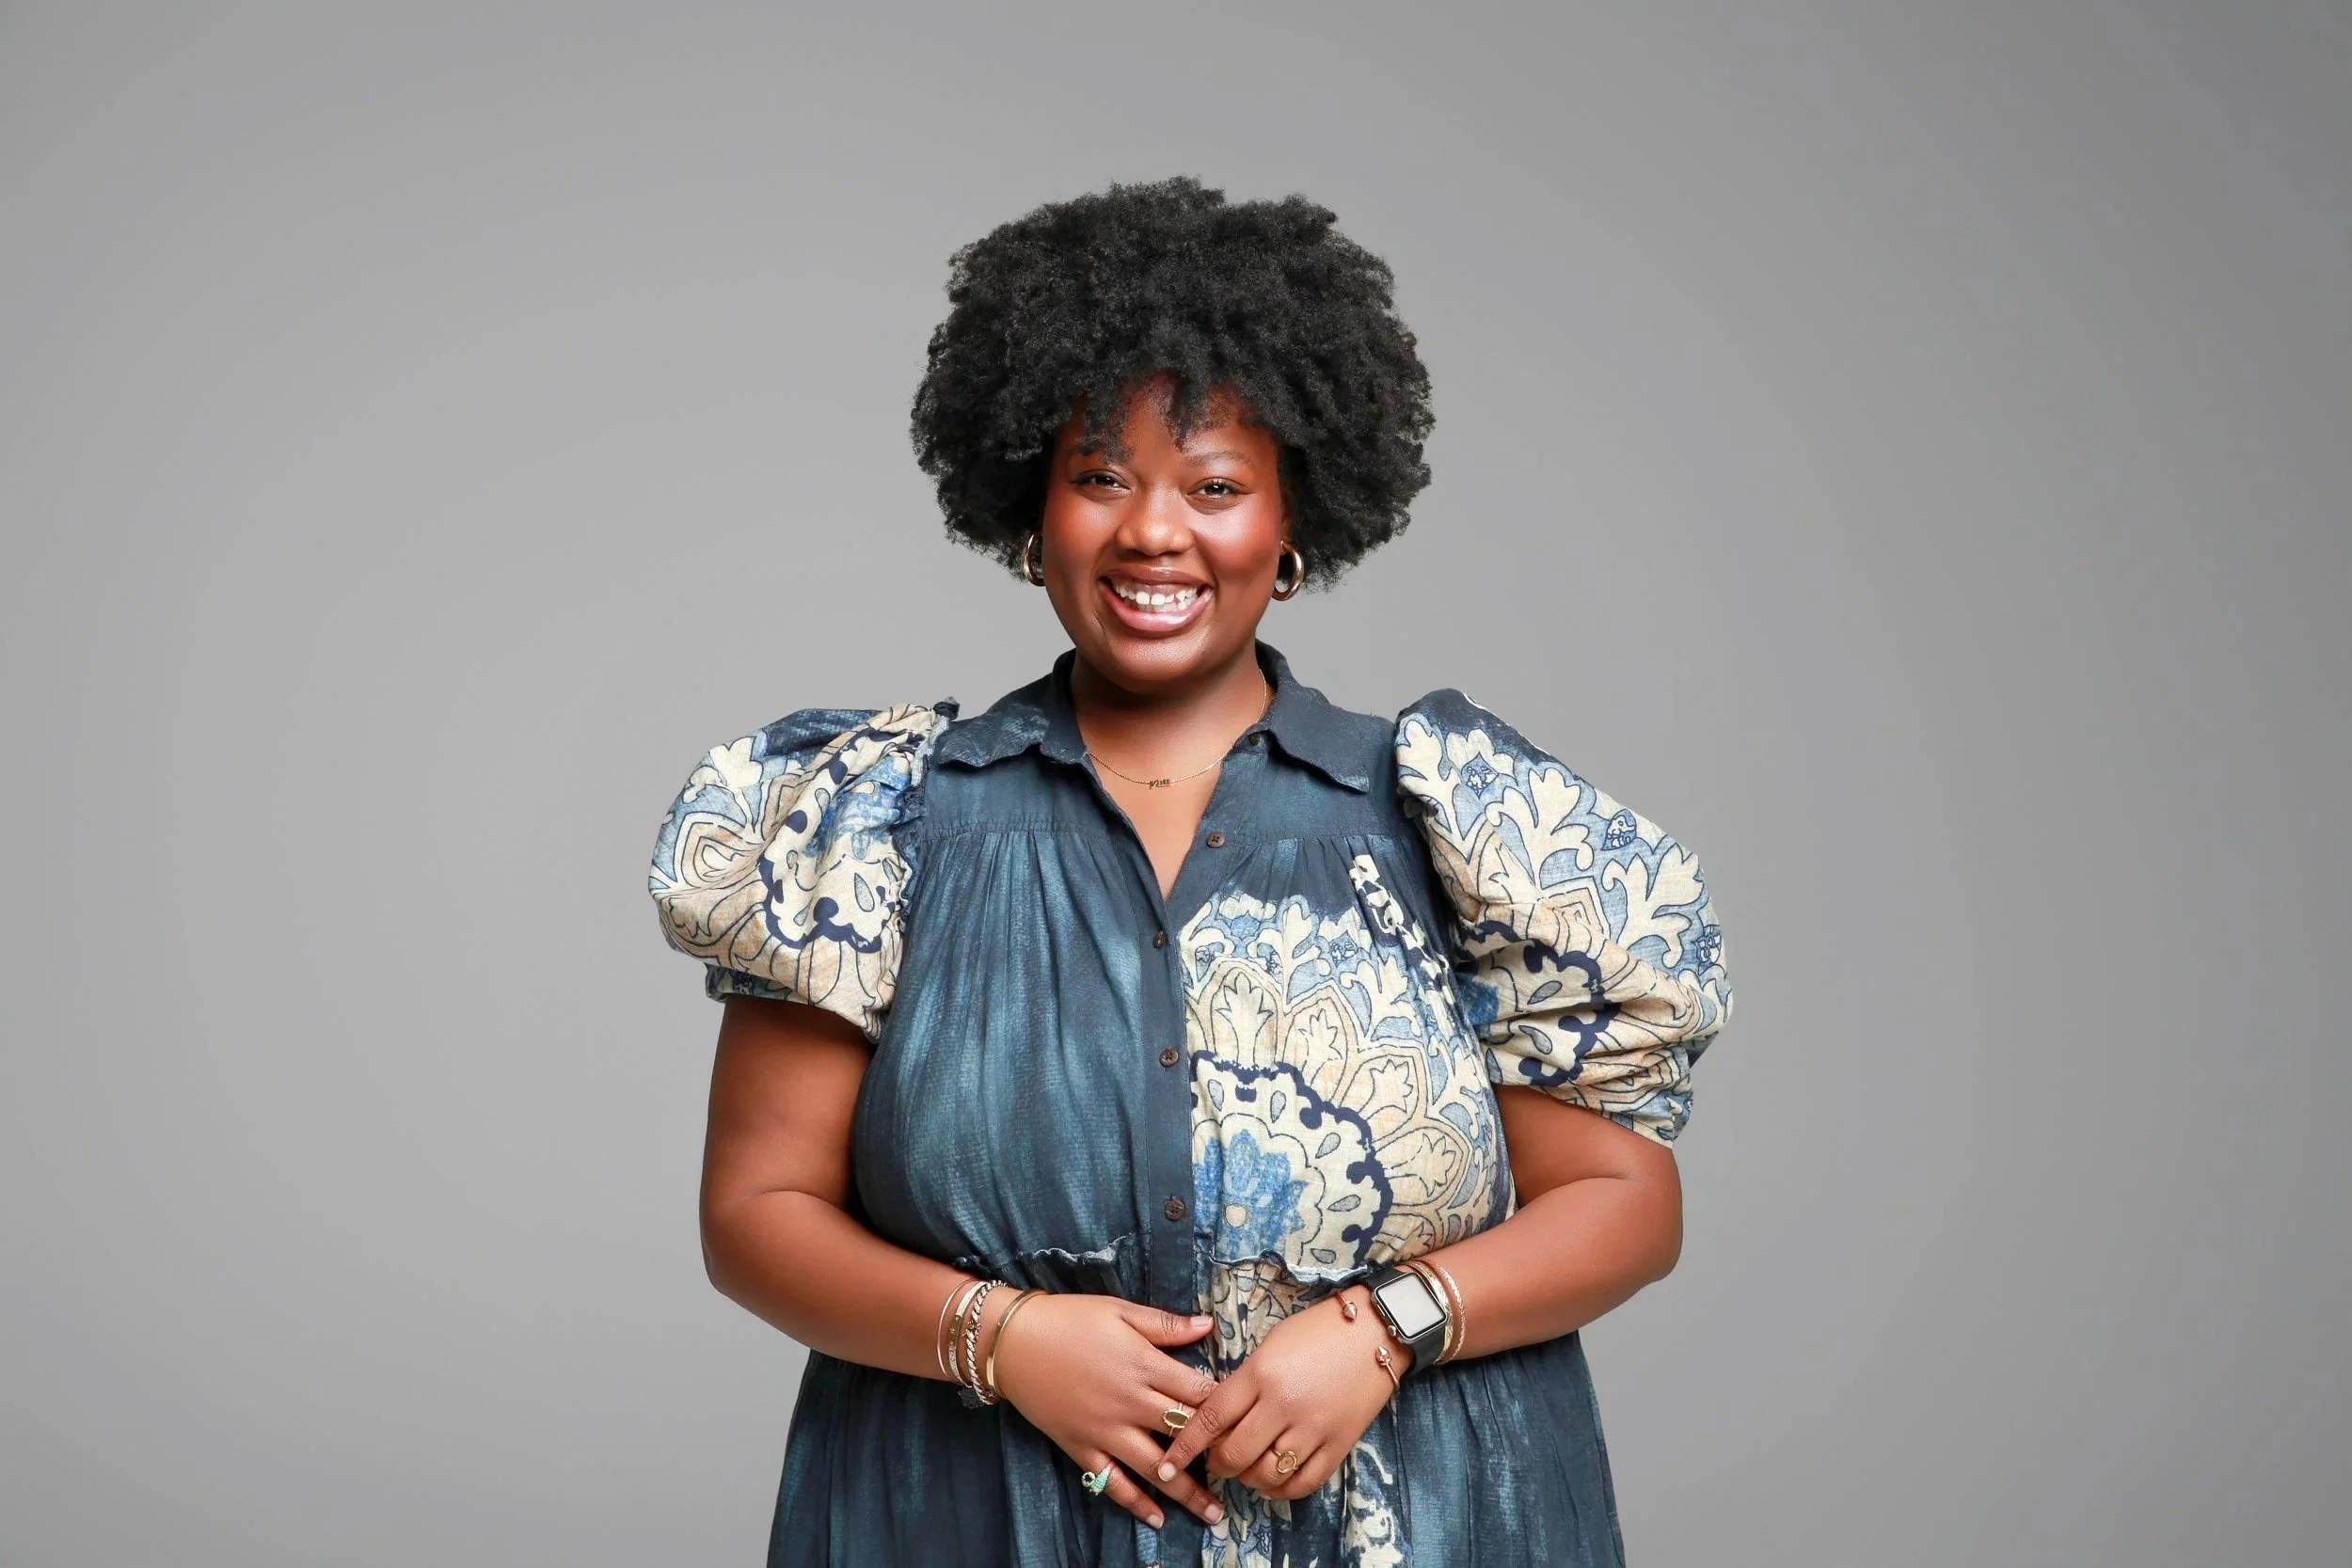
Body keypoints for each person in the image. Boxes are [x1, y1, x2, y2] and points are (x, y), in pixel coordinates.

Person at [647, 176, 1733, 1568]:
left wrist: (1381, 1328)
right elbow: (755, 1214)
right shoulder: (879, 829)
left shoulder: (1451, 825)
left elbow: (1629, 1202)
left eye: (1214, 486)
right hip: (977, 1518)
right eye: (1102, 477)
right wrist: (1004, 1338)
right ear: (1032, 508)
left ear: (1292, 527)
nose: (1154, 531)